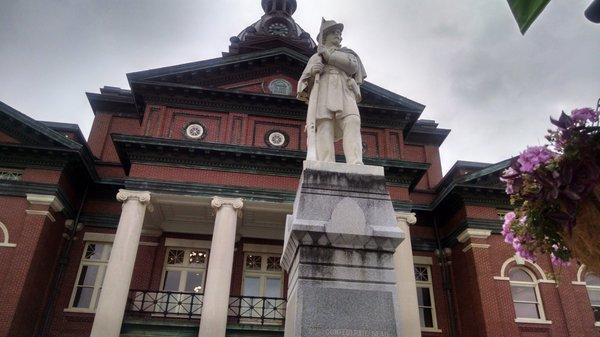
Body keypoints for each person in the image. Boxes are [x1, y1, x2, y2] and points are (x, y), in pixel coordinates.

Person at [297, 18, 367, 165]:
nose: (338, 36)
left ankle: (355, 162)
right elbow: (303, 82)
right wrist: (313, 72)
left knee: (352, 121)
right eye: (334, 32)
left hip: (344, 89)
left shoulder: (348, 53)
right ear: (325, 36)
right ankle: (325, 162)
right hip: (323, 90)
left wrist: (328, 56)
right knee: (324, 125)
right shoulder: (316, 57)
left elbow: (352, 66)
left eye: (339, 33)